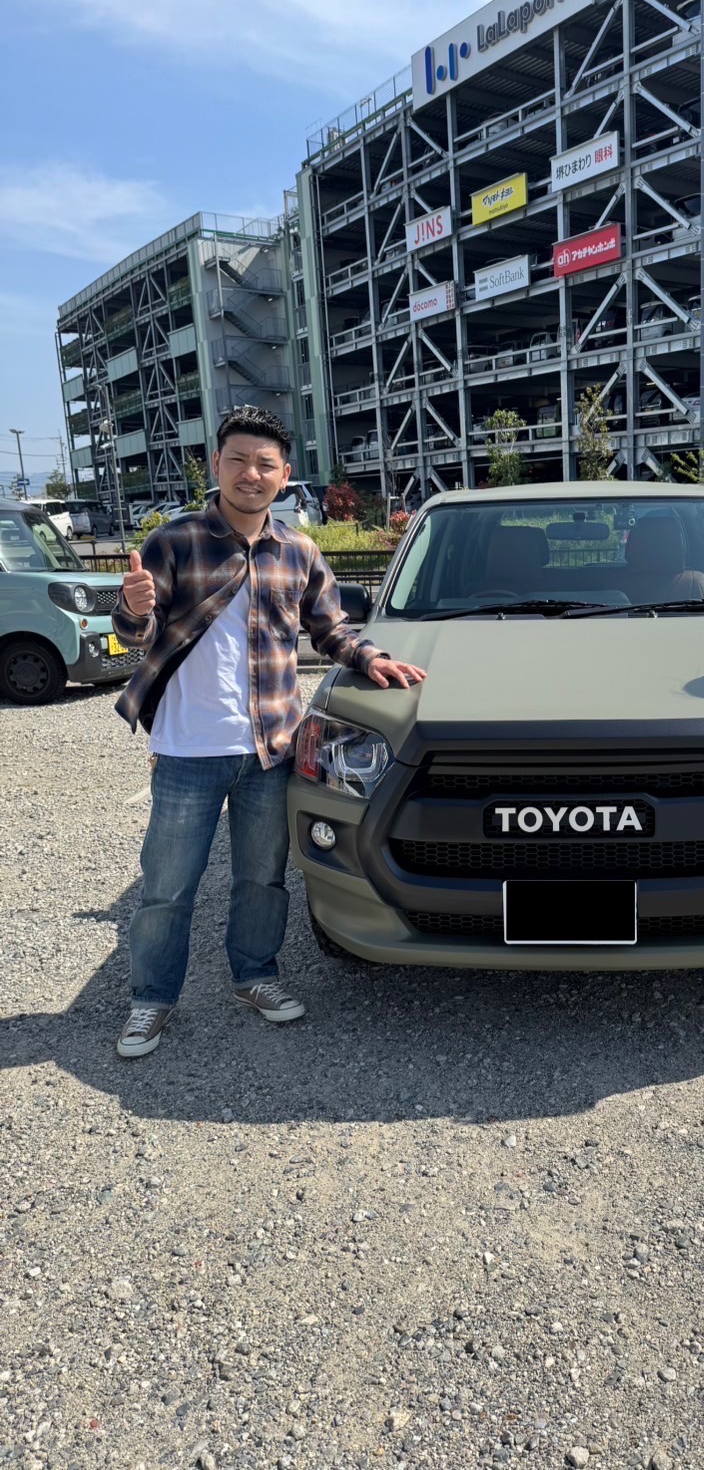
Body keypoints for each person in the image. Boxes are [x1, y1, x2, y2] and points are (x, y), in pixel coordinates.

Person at [111, 406, 426, 1059]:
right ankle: (152, 998)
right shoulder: (176, 541)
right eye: (237, 460)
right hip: (187, 750)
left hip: (271, 750)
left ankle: (254, 976)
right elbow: (137, 634)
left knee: (263, 878)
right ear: (216, 464)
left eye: (265, 464)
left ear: (284, 475)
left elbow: (330, 628)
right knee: (167, 886)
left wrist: (370, 659)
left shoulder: (298, 551)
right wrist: (132, 609)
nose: (250, 474)